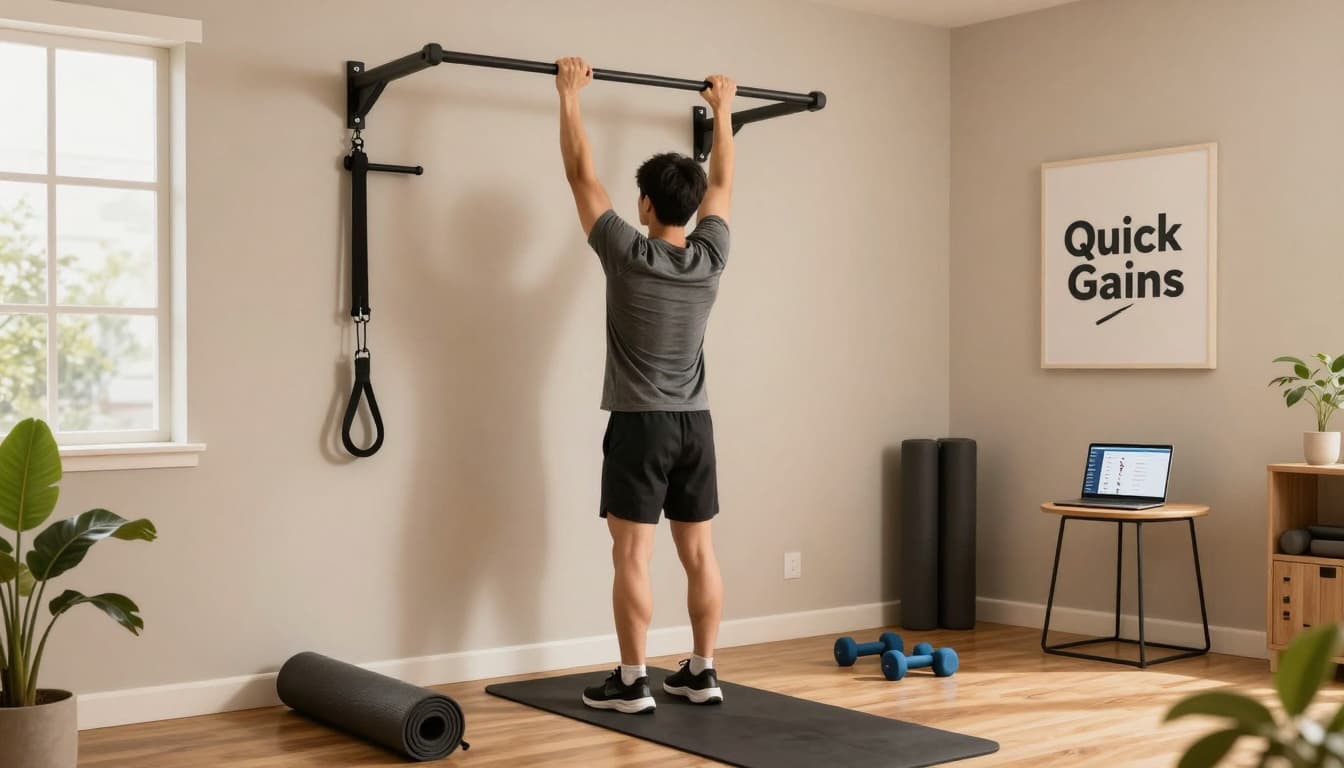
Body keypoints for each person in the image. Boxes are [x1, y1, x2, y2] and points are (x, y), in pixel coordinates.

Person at [554, 56, 736, 714]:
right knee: (700, 553)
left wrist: (569, 95)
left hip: (641, 424)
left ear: (646, 205)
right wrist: (723, 111)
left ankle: (633, 681)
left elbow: (581, 174)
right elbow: (722, 184)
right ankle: (702, 672)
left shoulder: (627, 254)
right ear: (691, 207)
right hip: (696, 424)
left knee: (632, 554)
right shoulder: (711, 258)